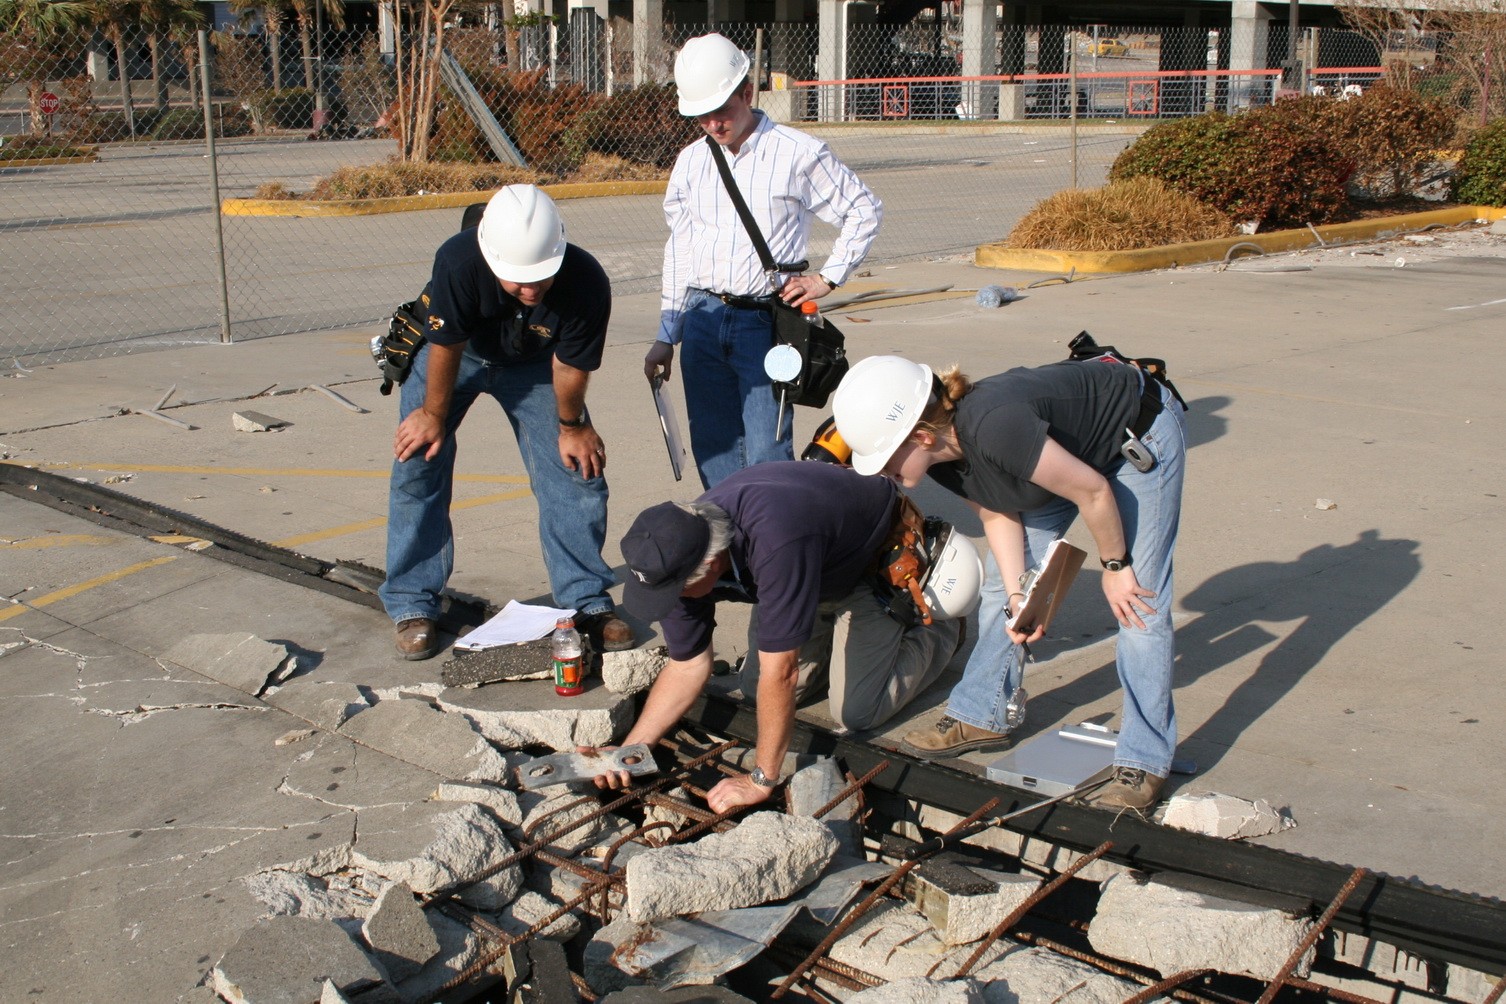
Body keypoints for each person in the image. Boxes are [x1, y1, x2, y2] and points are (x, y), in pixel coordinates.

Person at [831, 354, 1188, 811]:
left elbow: (1093, 491)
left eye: (885, 459)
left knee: (1138, 605)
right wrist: (1020, 592)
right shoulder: (941, 455)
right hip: (1061, 458)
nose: (884, 472)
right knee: (1002, 588)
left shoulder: (995, 427)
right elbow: (998, 513)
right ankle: (981, 712)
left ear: (921, 436)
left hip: (1135, 434)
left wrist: (1116, 567)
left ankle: (1145, 759)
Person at [594, 461, 976, 814]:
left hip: (869, 557)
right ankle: (834, 636)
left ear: (710, 565)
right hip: (812, 565)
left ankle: (941, 629)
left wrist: (761, 779)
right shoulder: (676, 556)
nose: (672, 603)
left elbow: (783, 673)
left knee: (857, 711)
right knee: (754, 689)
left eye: (676, 593)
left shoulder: (775, 540)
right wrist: (633, 748)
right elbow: (687, 666)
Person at [378, 185, 634, 660]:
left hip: (536, 366)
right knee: (418, 464)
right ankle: (413, 601)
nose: (532, 290)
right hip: (458, 358)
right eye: (518, 280)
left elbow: (570, 365)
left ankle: (586, 601)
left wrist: (572, 426)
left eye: (542, 277)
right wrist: (432, 415)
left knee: (577, 471)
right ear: (491, 254)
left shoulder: (586, 280)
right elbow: (446, 345)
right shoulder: (459, 261)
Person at [643, 32, 883, 489]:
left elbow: (863, 209)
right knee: (713, 450)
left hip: (765, 325)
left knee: (768, 453)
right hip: (702, 318)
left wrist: (828, 278)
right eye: (701, 116)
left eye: (722, 110)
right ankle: (730, 535)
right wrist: (667, 335)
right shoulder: (691, 163)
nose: (713, 124)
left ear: (748, 93)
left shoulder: (798, 153)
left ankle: (771, 532)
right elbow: (680, 248)